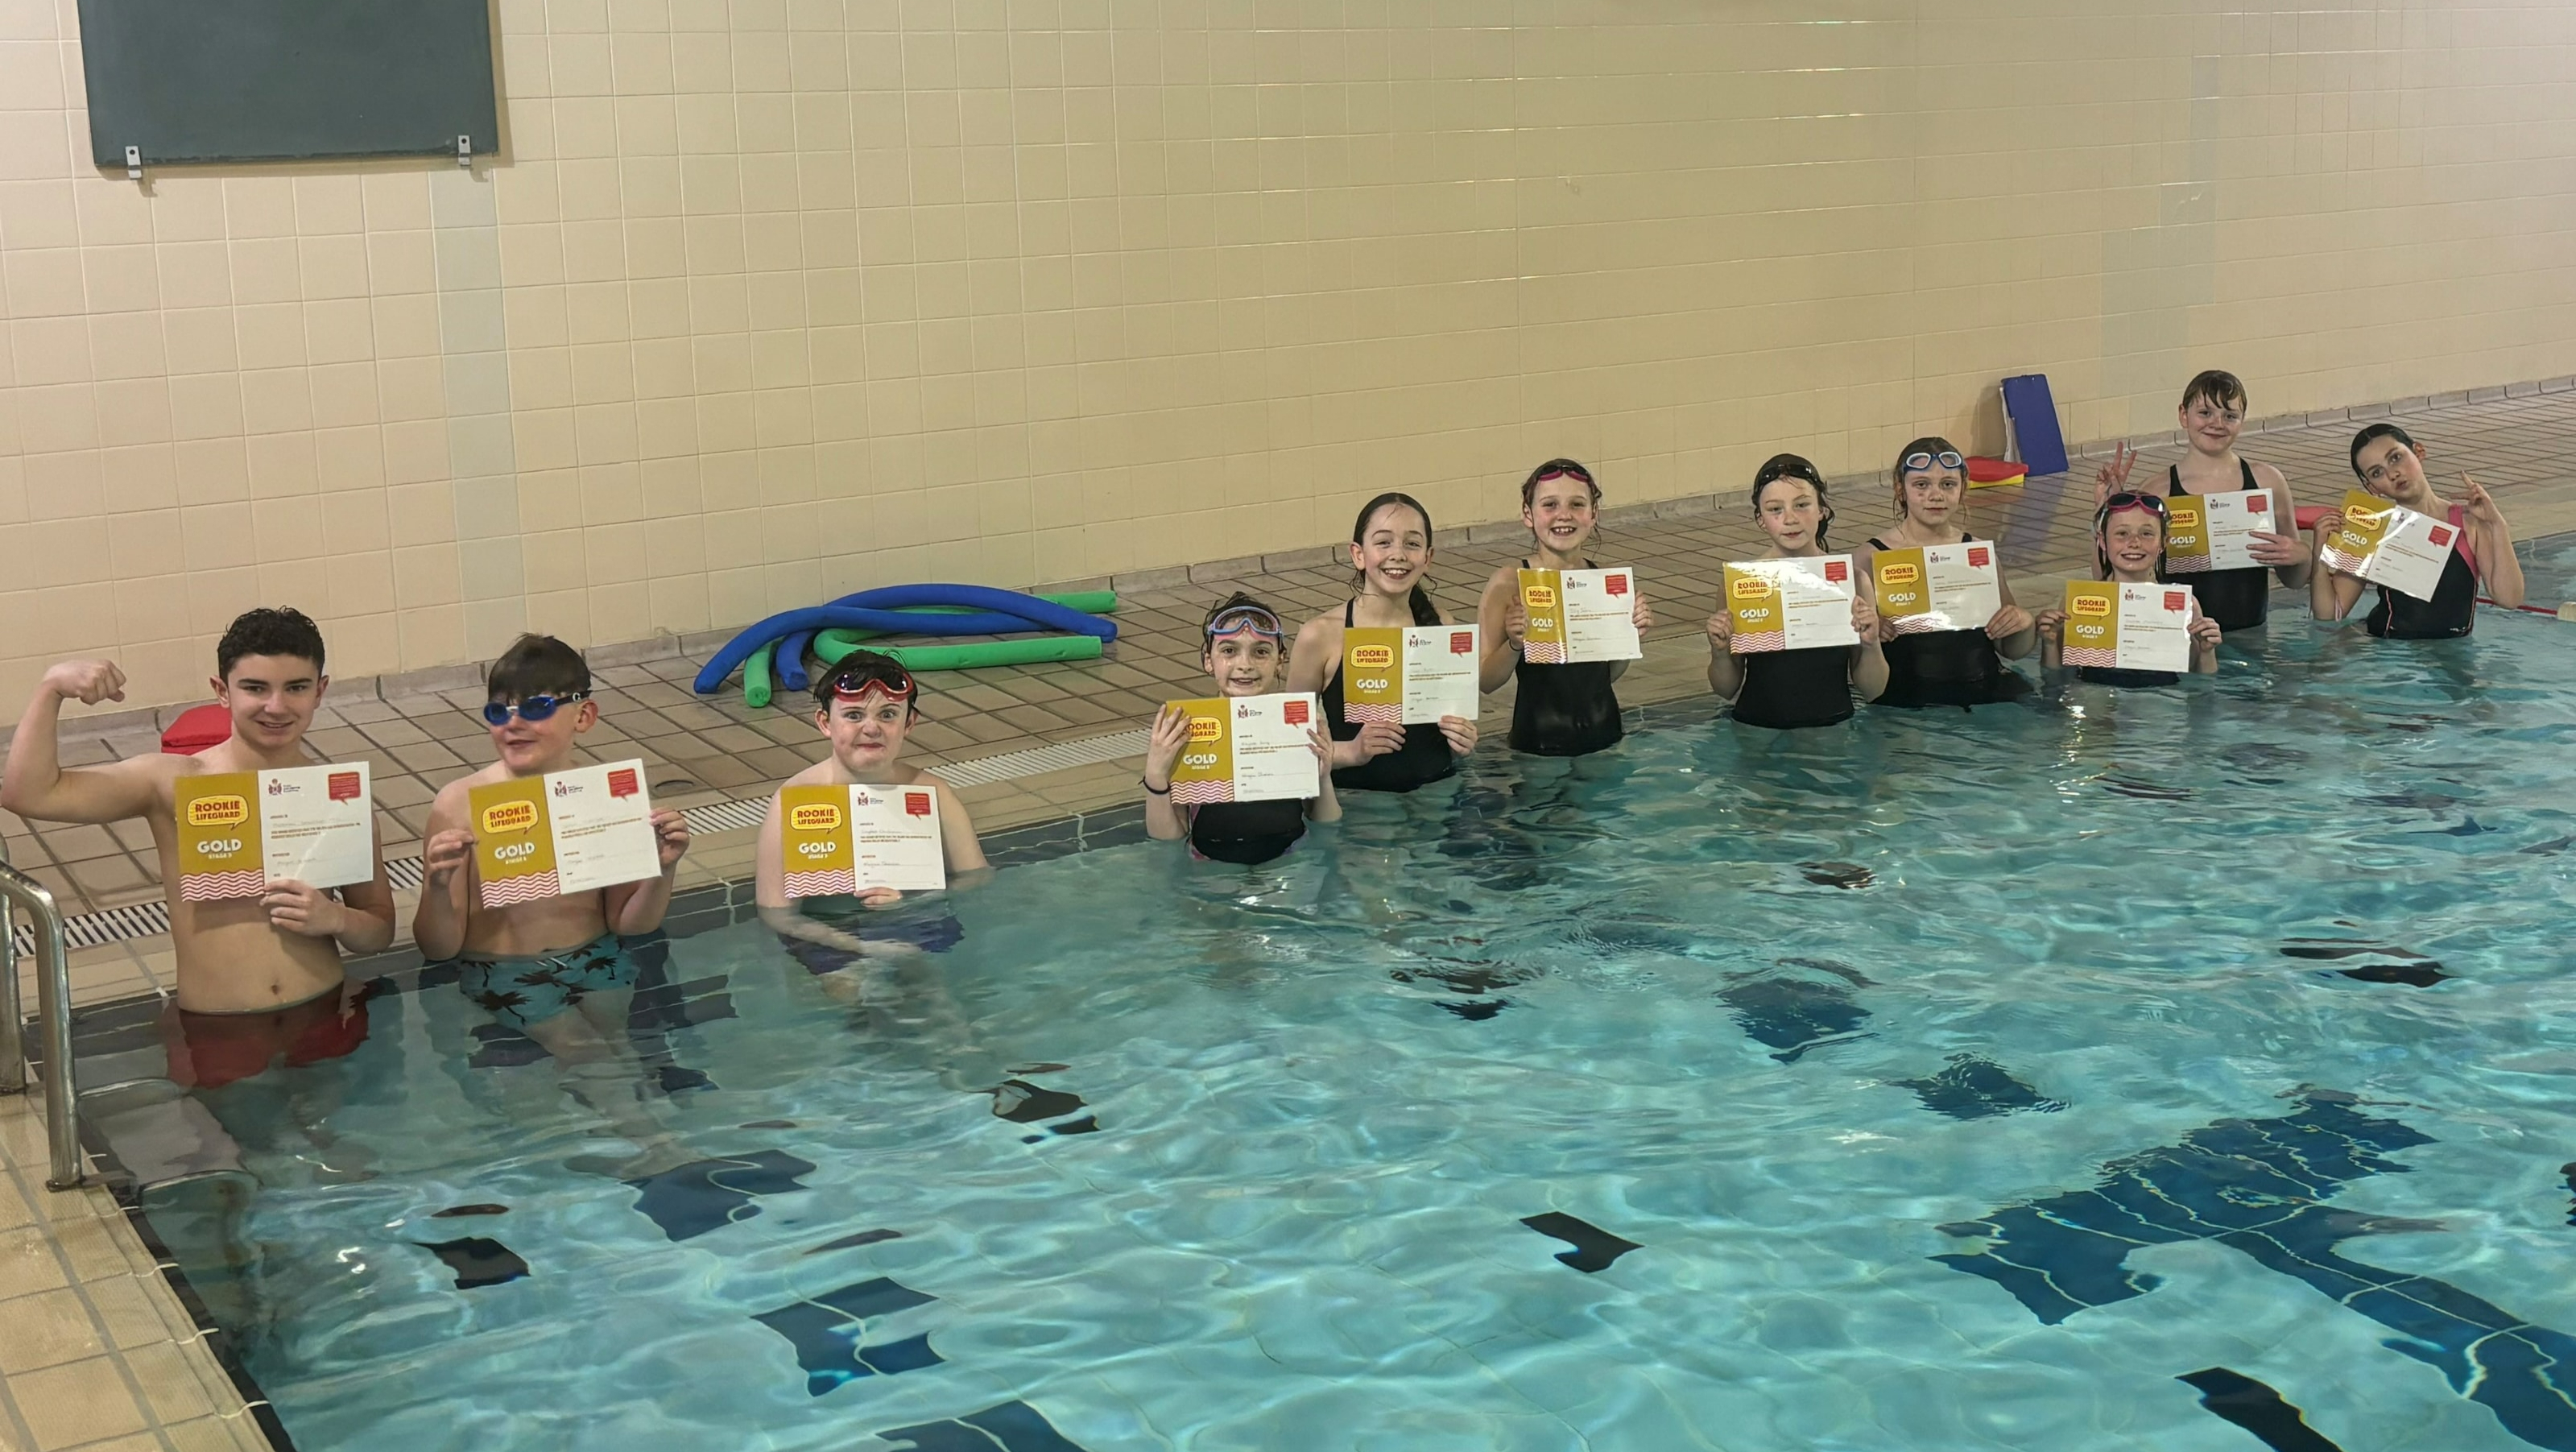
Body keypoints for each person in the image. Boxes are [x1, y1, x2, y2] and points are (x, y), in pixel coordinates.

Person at [2, 609, 395, 1086]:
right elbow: (28, 793)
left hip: (326, 1012)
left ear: (320, 691)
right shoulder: (173, 783)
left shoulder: (337, 797)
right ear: (221, 691)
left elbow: (378, 931)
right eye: (254, 688)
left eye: (295, 687)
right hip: (218, 1027)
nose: (276, 706)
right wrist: (50, 690)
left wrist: (337, 919)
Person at [416, 635, 693, 1171]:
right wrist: (434, 884)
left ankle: (620, 1137)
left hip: (596, 956)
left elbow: (630, 923)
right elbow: (437, 947)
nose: (513, 723)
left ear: (584, 715)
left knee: (619, 1049)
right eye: (499, 710)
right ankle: (662, 1149)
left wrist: (664, 868)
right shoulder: (458, 805)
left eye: (537, 707)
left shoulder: (604, 799)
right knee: (588, 1051)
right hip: (503, 969)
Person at [752, 650, 990, 992]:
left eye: (888, 714)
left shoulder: (932, 793)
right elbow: (778, 914)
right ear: (824, 723)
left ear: (909, 723)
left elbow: (977, 878)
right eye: (853, 715)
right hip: (829, 932)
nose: (871, 728)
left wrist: (913, 903)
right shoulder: (794, 801)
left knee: (941, 1002)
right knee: (858, 997)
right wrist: (862, 947)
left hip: (915, 921)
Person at [1288, 492, 1481, 792]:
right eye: (1383, 542)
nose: (1399, 554)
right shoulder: (1321, 636)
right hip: (1359, 806)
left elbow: (1451, 730)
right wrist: (1351, 751)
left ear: (1428, 558)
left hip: (1437, 798)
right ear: (1358, 554)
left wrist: (1462, 739)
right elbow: (1290, 742)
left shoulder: (1441, 625)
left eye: (1412, 544)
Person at [2090, 370, 2310, 630]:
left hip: (2250, 636)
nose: (2217, 423)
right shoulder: (2158, 492)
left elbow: (2295, 581)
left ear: (2242, 420)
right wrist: (2106, 510)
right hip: (2179, 636)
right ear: (2184, 415)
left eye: (2230, 416)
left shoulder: (2267, 482)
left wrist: (2302, 555)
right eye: (2205, 413)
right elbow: (2108, 579)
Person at [1473, 458, 1656, 755]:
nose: (1564, 516)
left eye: (1576, 505)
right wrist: (1515, 644)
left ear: (1593, 513)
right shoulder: (1510, 583)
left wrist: (1631, 635)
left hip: (1606, 741)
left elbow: (1604, 676)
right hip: (1537, 749)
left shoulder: (1604, 583)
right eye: (1550, 505)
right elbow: (1486, 682)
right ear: (1527, 514)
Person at [1142, 594, 1341, 865]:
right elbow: (1169, 838)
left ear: (1280, 660)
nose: (1245, 665)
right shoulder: (1186, 731)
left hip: (1291, 862)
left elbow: (1325, 822)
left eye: (1261, 652)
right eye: (1229, 651)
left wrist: (1323, 776)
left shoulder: (1296, 727)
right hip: (1210, 870)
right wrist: (1155, 774)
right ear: (1208, 660)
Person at [1705, 455, 1888, 728]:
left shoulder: (1853, 581)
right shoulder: (1739, 584)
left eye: (1802, 505)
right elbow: (1726, 689)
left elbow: (1874, 690)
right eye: (1775, 510)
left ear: (1821, 510)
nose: (1790, 519)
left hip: (1833, 733)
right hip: (1757, 732)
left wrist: (1871, 644)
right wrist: (1719, 652)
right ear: (1761, 519)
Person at [1856, 438, 2036, 707]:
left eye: (1948, 484)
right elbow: (1851, 653)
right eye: (1921, 485)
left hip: (1984, 691)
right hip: (1906, 699)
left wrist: (2024, 623)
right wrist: (1871, 632)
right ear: (1900, 489)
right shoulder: (1869, 557)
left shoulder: (1976, 552)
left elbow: (2009, 649)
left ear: (1963, 488)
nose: (1936, 495)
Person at [2311, 423, 2525, 638]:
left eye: (2396, 458)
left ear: (2418, 451)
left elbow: (2509, 599)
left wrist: (2497, 525)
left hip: (2449, 654)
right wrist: (2320, 556)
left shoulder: (2468, 523)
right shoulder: (2372, 528)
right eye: (2377, 473)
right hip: (2385, 649)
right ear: (2372, 487)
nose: (2393, 474)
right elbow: (2330, 615)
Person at [2035, 494, 2222, 685]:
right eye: (2122, 534)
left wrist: (2208, 650)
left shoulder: (2186, 605)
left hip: (2163, 701)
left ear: (2164, 542)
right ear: (2102, 541)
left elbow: (2200, 682)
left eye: (2147, 534)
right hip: (2096, 697)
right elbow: (2056, 678)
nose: (2134, 543)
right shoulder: (2079, 601)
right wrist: (2049, 642)